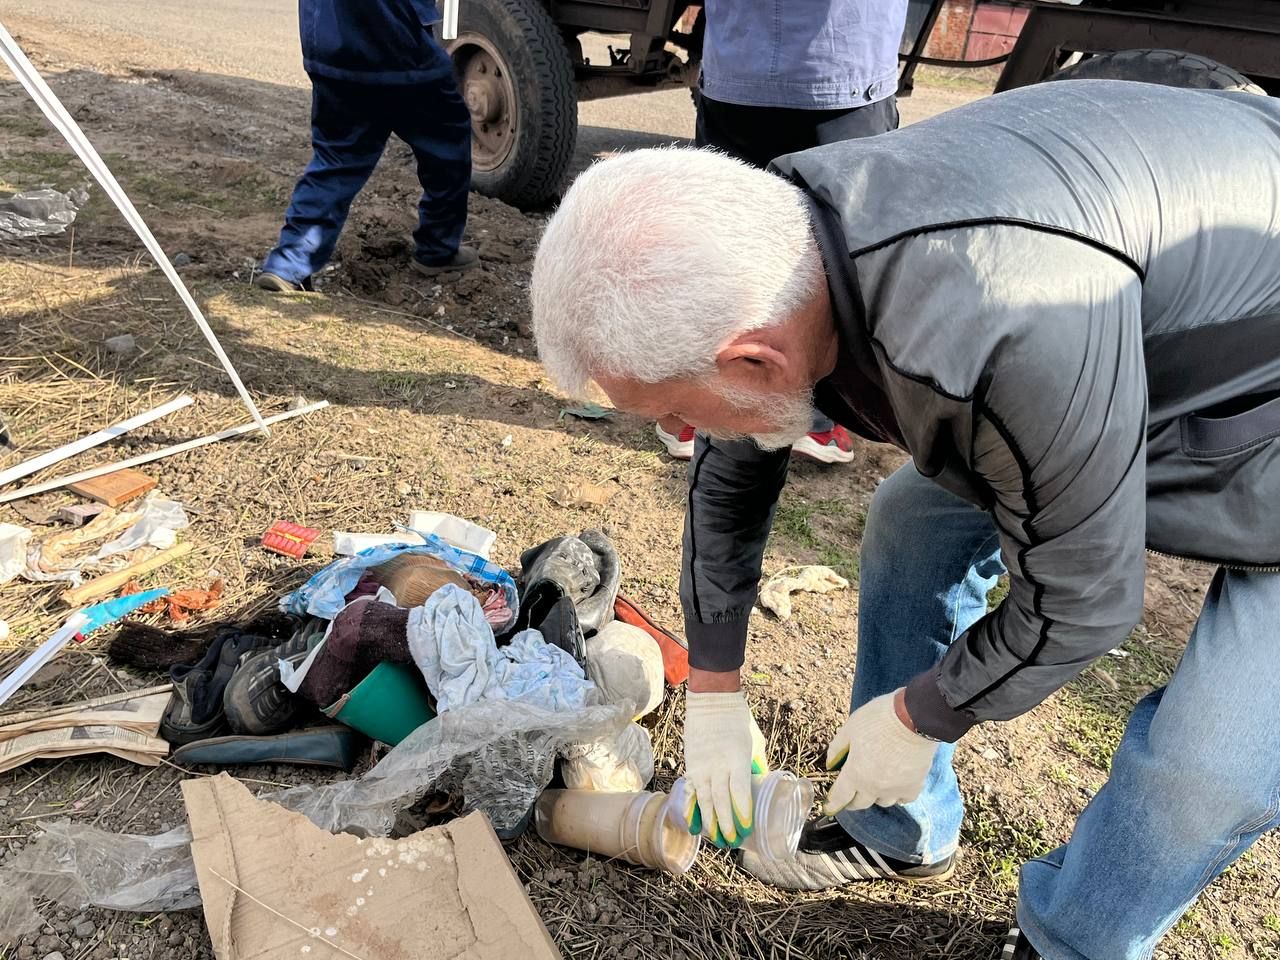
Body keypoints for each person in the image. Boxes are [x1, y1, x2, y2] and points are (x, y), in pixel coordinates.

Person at [529, 80, 1280, 960]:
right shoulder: (776, 249)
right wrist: (716, 686)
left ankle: (1071, 942)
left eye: (674, 413)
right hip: (1139, 336)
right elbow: (736, 465)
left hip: (1241, 385)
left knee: (1207, 769)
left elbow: (1086, 598)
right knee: (911, 520)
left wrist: (926, 712)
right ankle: (900, 824)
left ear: (752, 357)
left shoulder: (1003, 322)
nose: (677, 435)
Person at [655, 0, 907, 464]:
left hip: (746, 67)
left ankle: (706, 407)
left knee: (724, 258)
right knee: (833, 265)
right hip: (842, 67)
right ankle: (810, 416)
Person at [256, 0, 477, 293]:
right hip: (394, 43)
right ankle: (438, 248)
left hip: (328, 43)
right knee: (447, 140)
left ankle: (287, 265)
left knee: (337, 156)